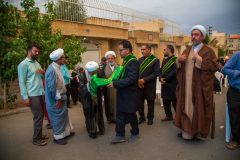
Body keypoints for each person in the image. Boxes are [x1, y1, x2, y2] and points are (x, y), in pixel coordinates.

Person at [174, 25, 219, 140]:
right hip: (186, 87)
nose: (193, 37)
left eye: (196, 34)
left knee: (198, 108)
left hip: (199, 88)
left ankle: (197, 133)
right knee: (185, 106)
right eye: (192, 34)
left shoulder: (208, 51)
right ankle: (186, 130)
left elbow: (214, 67)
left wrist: (200, 60)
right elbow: (178, 66)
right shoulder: (187, 49)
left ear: (202, 37)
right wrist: (178, 61)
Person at [108, 40, 139, 143]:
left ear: (127, 50)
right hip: (123, 93)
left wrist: (115, 84)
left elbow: (132, 79)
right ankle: (120, 134)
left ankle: (135, 132)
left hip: (129, 95)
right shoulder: (126, 61)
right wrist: (112, 81)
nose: (119, 52)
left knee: (131, 115)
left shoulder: (133, 61)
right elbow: (123, 77)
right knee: (120, 114)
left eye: (121, 50)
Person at [79, 61, 121, 138]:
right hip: (87, 99)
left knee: (98, 113)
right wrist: (89, 85)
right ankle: (92, 132)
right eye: (92, 72)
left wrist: (101, 87)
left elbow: (104, 81)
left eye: (95, 71)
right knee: (89, 114)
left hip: (97, 97)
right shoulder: (82, 75)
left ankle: (101, 129)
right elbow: (81, 89)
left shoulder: (99, 72)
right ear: (88, 71)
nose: (94, 73)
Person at [18, 44, 48, 146]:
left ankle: (39, 135)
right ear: (29, 51)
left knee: (41, 115)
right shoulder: (23, 64)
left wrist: (43, 72)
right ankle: (36, 139)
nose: (37, 53)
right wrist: (25, 97)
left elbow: (41, 77)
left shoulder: (37, 63)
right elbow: (21, 82)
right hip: (32, 94)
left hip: (41, 93)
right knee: (38, 116)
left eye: (38, 51)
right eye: (35, 51)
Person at [45, 48, 74, 145]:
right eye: (64, 57)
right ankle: (57, 137)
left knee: (63, 116)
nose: (65, 59)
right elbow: (52, 88)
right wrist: (58, 99)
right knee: (57, 117)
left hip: (61, 96)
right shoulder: (52, 70)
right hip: (56, 99)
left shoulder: (57, 67)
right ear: (59, 59)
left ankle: (65, 133)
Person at [137, 44, 160, 125]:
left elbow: (156, 73)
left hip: (150, 85)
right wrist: (139, 81)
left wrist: (144, 80)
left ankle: (150, 118)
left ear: (149, 50)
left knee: (150, 102)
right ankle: (142, 117)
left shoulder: (155, 60)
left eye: (144, 49)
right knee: (139, 102)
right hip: (140, 85)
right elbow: (137, 72)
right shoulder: (139, 60)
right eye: (141, 49)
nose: (142, 51)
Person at [222, 51, 240, 150]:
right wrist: (238, 72)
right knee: (235, 116)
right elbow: (224, 69)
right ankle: (237, 139)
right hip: (236, 91)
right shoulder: (237, 55)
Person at [159, 44, 177, 121]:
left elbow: (174, 72)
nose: (163, 51)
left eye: (164, 49)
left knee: (174, 101)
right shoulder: (164, 59)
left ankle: (178, 117)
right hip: (164, 84)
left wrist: (165, 79)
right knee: (165, 100)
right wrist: (160, 78)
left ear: (169, 50)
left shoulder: (175, 59)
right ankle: (169, 116)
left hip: (172, 84)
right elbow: (161, 70)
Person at [103, 51, 118, 123]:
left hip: (116, 88)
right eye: (109, 58)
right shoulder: (104, 68)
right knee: (108, 103)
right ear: (107, 59)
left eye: (112, 58)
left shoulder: (118, 67)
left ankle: (116, 117)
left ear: (114, 58)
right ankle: (109, 117)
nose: (110, 60)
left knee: (116, 102)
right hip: (108, 89)